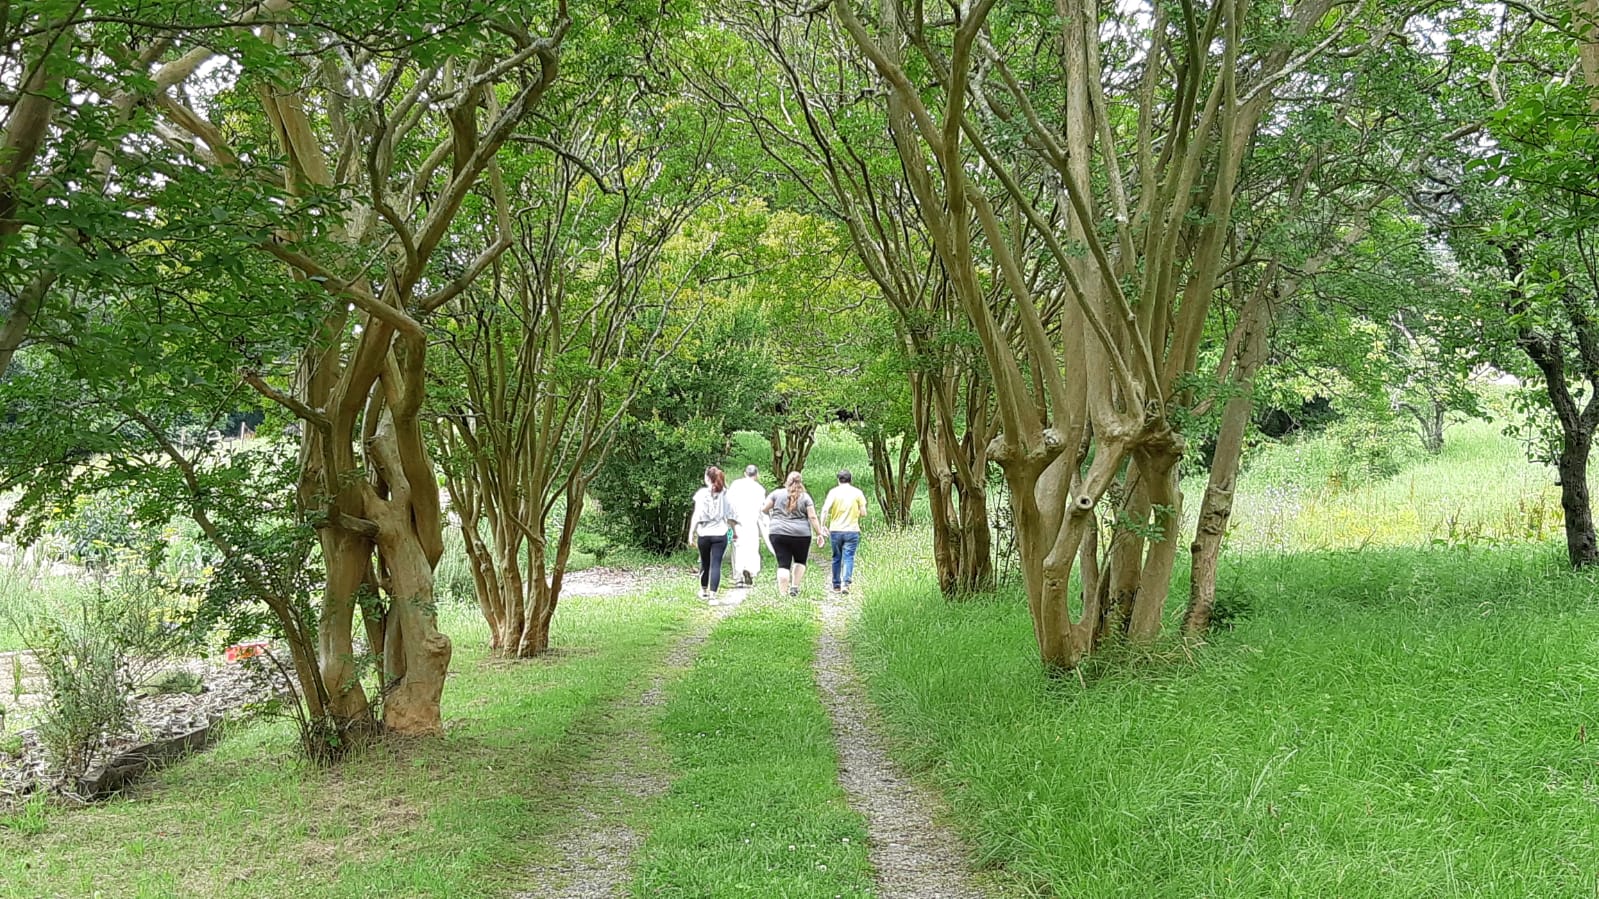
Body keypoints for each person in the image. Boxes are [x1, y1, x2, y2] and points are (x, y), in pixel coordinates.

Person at [761, 471, 827, 597]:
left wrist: (772, 515)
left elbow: (764, 508)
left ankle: (782, 593)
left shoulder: (776, 494)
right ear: (800, 482)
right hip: (801, 534)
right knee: (800, 561)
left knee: (783, 563)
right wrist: (819, 533)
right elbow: (812, 517)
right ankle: (794, 587)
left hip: (778, 532)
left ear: (787, 481)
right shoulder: (806, 497)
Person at [687, 466, 736, 603]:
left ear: (708, 478)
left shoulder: (701, 494)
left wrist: (691, 533)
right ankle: (713, 595)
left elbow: (696, 516)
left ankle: (703, 590)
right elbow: (730, 516)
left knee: (705, 562)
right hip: (720, 532)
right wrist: (735, 532)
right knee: (716, 564)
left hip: (704, 533)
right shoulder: (726, 494)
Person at [820, 469, 868, 594]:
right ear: (850, 479)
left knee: (836, 557)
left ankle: (836, 584)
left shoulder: (833, 492)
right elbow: (863, 513)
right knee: (849, 557)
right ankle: (846, 583)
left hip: (835, 530)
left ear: (838, 480)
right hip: (852, 530)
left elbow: (825, 510)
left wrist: (822, 525)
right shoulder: (857, 493)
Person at [726, 464, 767, 587]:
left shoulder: (735, 485)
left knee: (737, 548)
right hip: (752, 522)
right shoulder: (760, 489)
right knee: (752, 548)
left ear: (745, 473)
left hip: (737, 522)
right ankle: (750, 570)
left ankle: (738, 577)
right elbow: (762, 509)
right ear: (757, 475)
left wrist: (728, 521)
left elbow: (729, 503)